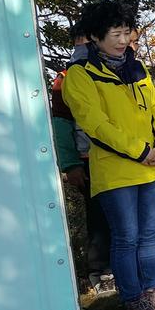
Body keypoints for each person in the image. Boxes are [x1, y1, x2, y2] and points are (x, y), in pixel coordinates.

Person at [62, 0, 155, 310]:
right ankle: (133, 301)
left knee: (149, 237)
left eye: (126, 32)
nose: (122, 40)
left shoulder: (138, 69)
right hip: (115, 172)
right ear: (96, 38)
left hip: (152, 167)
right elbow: (95, 124)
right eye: (115, 34)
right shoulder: (81, 74)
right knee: (126, 237)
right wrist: (140, 150)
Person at [50, 16, 114, 295]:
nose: (84, 47)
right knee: (98, 217)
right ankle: (99, 272)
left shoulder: (111, 71)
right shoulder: (64, 80)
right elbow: (61, 126)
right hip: (87, 159)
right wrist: (70, 164)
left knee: (117, 216)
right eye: (81, 42)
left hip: (117, 156)